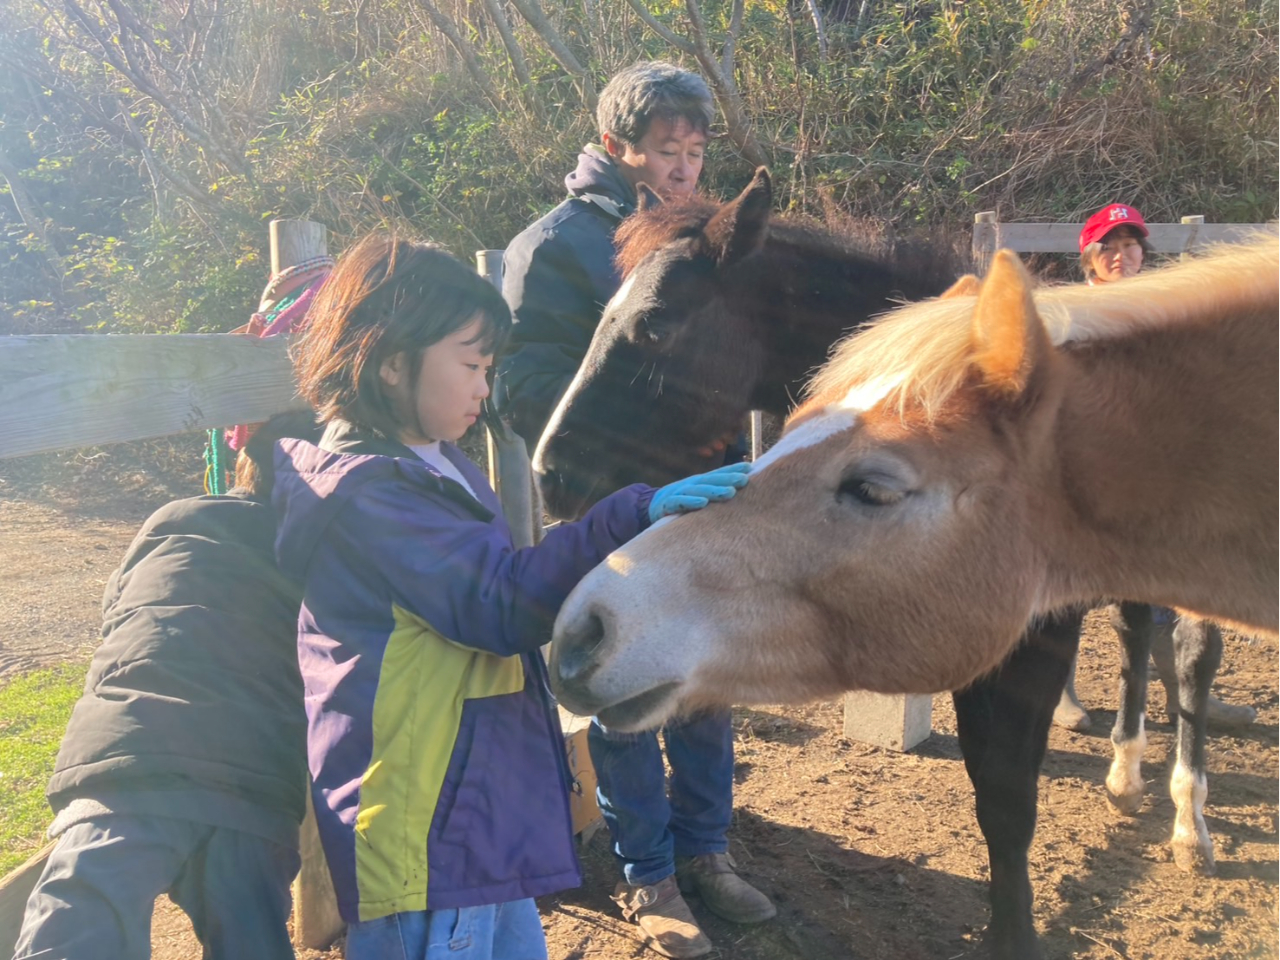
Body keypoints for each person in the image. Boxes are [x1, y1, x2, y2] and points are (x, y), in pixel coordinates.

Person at [269, 233, 751, 960]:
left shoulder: (432, 464)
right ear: (393, 362)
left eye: (489, 368)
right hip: (424, 833)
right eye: (470, 365)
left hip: (476, 817)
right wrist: (627, 513)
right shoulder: (375, 496)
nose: (484, 389)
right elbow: (497, 605)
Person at [499, 62, 775, 960]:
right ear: (617, 147)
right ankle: (644, 869)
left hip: (701, 495)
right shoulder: (552, 247)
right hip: (609, 505)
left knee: (704, 677)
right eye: (668, 151)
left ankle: (705, 849)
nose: (686, 169)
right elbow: (523, 387)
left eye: (696, 152)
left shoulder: (706, 236)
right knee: (625, 686)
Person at [12, 409, 322, 960]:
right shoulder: (322, 554)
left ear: (246, 466)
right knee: (252, 934)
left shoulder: (173, 519)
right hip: (248, 786)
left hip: (131, 762)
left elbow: (119, 609)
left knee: (76, 925)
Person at [1052, 203, 1255, 731]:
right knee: (1067, 589)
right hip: (1088, 467)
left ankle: (1184, 694)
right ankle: (1059, 693)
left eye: (1130, 246)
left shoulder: (1162, 311)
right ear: (1089, 258)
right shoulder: (1070, 314)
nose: (1121, 256)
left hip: (1152, 470)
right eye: (1109, 248)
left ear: (1144, 251)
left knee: (1171, 581)